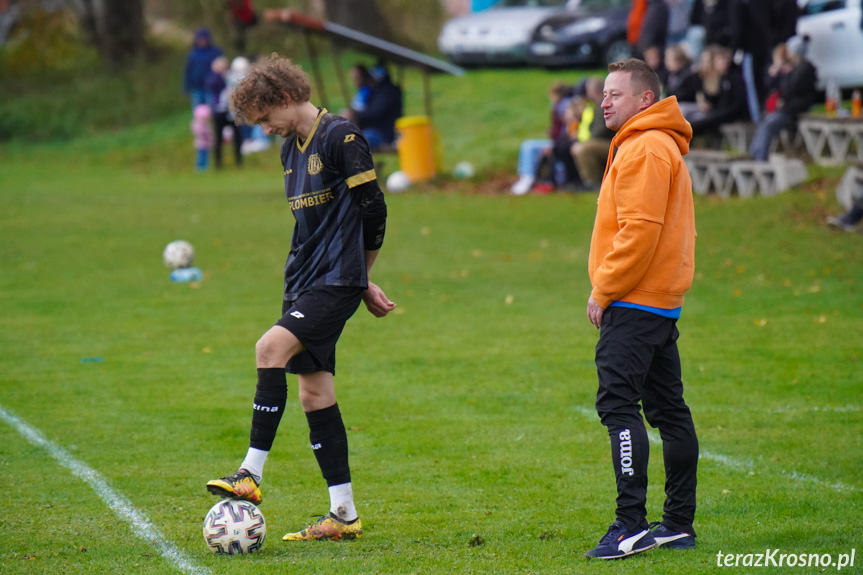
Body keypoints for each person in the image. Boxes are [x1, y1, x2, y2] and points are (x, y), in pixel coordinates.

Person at [206, 54, 396, 542]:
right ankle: (344, 515)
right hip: (306, 280)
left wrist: (360, 277)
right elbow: (312, 224)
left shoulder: (342, 137)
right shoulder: (291, 147)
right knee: (314, 393)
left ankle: (249, 474)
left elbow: (373, 212)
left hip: (335, 281)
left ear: (287, 99)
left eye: (267, 119)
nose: (265, 129)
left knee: (268, 348)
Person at [584, 58, 699, 560]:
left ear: (645, 100)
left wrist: (603, 288)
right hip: (655, 302)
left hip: (635, 300)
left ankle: (630, 525)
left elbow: (639, 231)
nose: (604, 101)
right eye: (604, 93)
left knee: (618, 407)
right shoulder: (649, 142)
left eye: (615, 94)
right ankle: (676, 523)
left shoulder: (647, 146)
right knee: (669, 411)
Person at [749, 35, 817, 161]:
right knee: (765, 121)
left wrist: (784, 100)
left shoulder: (803, 70)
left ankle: (760, 158)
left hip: (792, 109)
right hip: (787, 107)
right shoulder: (795, 69)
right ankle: (755, 153)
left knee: (769, 125)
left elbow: (792, 91)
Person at [570, 76, 616, 188]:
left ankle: (593, 182)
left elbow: (602, 130)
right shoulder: (595, 106)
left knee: (584, 149)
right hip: (603, 142)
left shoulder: (604, 105)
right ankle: (580, 180)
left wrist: (586, 141)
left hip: (612, 143)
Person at [350, 63, 403, 151]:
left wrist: (354, 114)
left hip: (385, 134)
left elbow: (374, 113)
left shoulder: (388, 92)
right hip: (373, 130)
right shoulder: (373, 91)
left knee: (354, 141)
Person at [206, 56, 244, 169]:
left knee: (237, 136)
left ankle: (239, 162)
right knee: (218, 137)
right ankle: (218, 164)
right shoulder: (213, 78)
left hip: (231, 111)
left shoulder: (230, 76)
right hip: (219, 111)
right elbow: (212, 87)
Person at [183, 28, 224, 110]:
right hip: (197, 87)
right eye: (200, 39)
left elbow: (222, 67)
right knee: (198, 110)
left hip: (211, 87)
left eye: (204, 39)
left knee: (212, 108)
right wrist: (186, 87)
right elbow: (188, 71)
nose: (203, 41)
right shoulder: (193, 54)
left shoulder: (215, 52)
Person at [191, 103, 213, 171]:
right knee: (201, 156)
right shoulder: (197, 125)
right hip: (200, 144)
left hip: (206, 143)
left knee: (205, 155)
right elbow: (200, 132)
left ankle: (204, 166)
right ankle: (200, 166)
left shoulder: (207, 124)